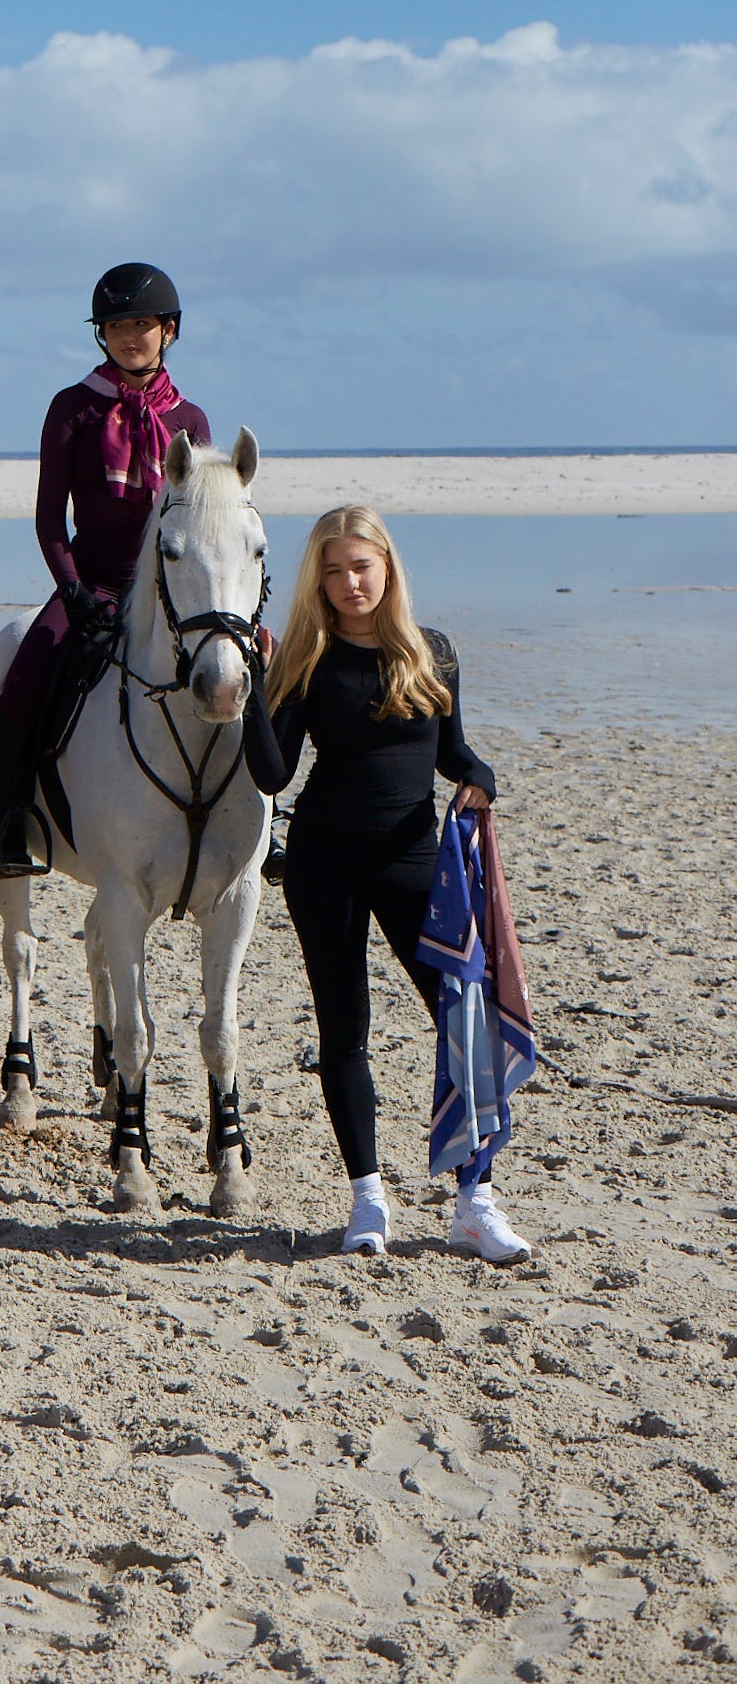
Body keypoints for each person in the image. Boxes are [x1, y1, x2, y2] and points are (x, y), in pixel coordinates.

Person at [243, 505, 531, 1264]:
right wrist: (251, 690)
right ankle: (368, 1197)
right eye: (332, 570)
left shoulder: (433, 652)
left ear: (387, 566)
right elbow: (273, 772)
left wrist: (482, 778)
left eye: (360, 566)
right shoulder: (307, 656)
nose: (348, 583)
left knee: (466, 1021)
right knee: (345, 1031)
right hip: (323, 861)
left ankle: (476, 1202)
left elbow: (455, 752)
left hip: (412, 862)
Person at [0, 263, 210, 875]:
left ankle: (264, 818)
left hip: (165, 593)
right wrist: (73, 590)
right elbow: (47, 519)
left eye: (141, 323)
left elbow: (194, 528)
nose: (128, 336)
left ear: (168, 330)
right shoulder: (73, 408)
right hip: (90, 582)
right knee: (23, 681)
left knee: (238, 667)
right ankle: (12, 825)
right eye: (115, 325)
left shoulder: (189, 421)